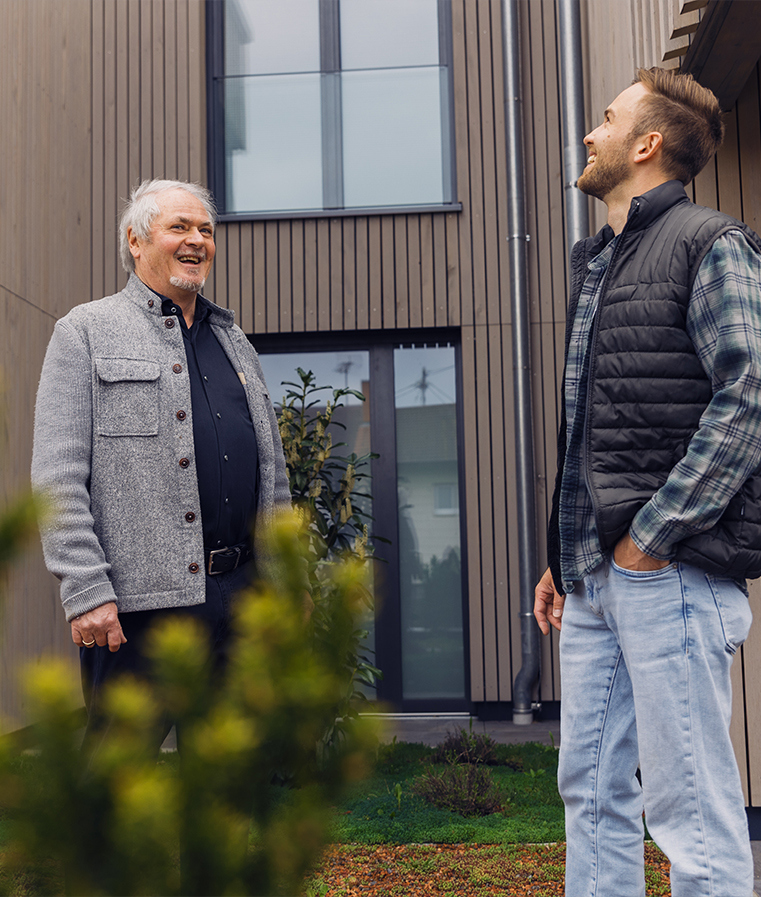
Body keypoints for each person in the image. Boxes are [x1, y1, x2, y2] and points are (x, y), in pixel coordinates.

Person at [534, 68, 761, 897]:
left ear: (645, 144)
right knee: (589, 791)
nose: (590, 133)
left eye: (605, 118)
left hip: (666, 571)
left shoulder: (708, 242)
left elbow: (750, 396)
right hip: (598, 575)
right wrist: (566, 555)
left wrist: (650, 535)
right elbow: (595, 424)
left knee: (689, 805)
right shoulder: (593, 259)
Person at [32, 178, 290, 749]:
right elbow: (57, 481)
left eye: (206, 230)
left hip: (240, 600)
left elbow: (272, 477)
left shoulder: (234, 341)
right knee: (117, 786)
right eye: (180, 227)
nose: (196, 240)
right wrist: (86, 591)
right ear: (136, 240)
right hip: (134, 610)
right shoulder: (85, 333)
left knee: (223, 785)